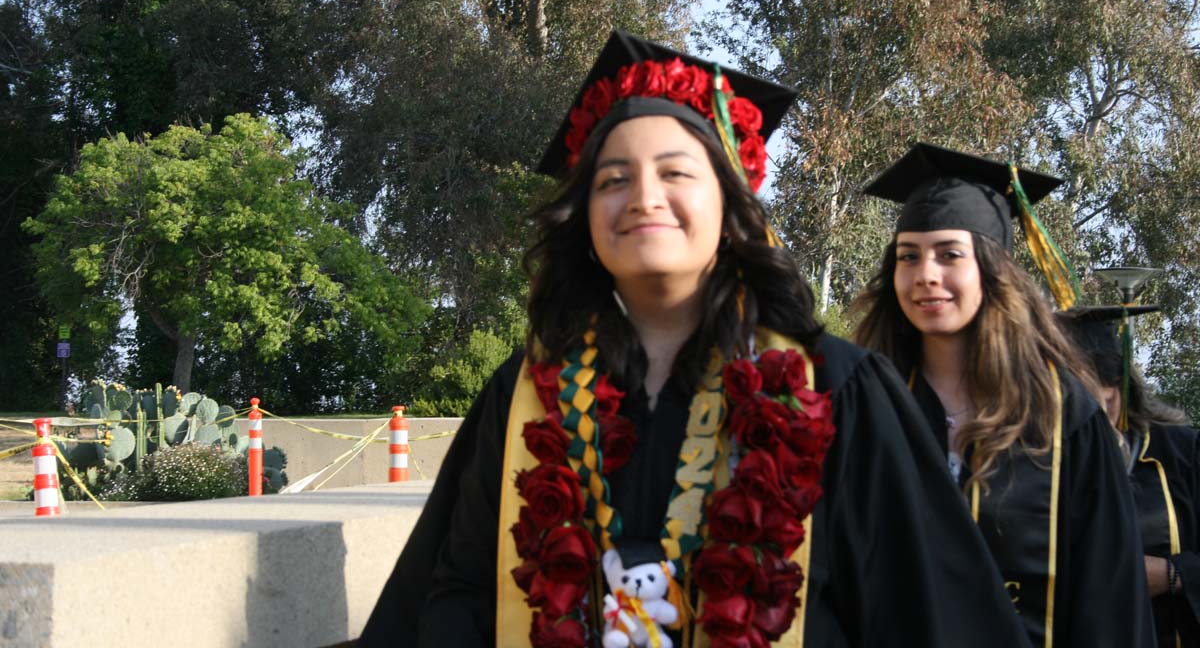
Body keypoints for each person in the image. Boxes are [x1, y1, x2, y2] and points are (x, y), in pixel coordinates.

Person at [360, 35, 1030, 647]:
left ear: (731, 205)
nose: (643, 196)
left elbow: (923, 615)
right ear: (584, 215)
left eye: (676, 173)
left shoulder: (835, 388)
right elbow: (459, 597)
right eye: (612, 179)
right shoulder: (527, 394)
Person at [853, 141, 1155, 648]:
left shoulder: (1063, 417)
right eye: (909, 257)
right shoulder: (866, 402)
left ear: (993, 272)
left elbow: (1110, 598)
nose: (926, 273)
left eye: (950, 255)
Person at [1059, 304, 1200, 646]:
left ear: (1117, 392)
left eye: (1104, 403)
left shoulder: (1184, 454)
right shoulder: (1032, 464)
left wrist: (1173, 574)